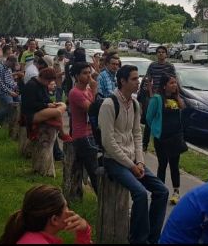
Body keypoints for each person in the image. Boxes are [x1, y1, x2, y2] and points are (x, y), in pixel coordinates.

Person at [99, 64, 168, 244]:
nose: (139, 82)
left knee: (162, 191)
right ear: (123, 81)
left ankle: (153, 238)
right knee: (140, 193)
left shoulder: (135, 104)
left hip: (133, 160)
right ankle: (138, 239)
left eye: (138, 78)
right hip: (113, 161)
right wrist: (132, 166)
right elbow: (108, 142)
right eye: (134, 79)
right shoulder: (109, 104)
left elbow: (137, 134)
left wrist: (140, 162)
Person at [0, 185, 91, 244]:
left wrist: (83, 232)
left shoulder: (29, 237)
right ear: (54, 220)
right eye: (66, 207)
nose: (70, 211)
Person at [147, 74, 187, 205]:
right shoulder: (157, 99)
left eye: (175, 83)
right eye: (171, 83)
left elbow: (181, 113)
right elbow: (149, 117)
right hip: (162, 138)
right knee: (162, 164)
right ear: (164, 86)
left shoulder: (177, 99)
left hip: (175, 138)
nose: (174, 85)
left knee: (174, 166)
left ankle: (176, 192)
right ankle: (160, 191)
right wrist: (156, 130)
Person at [67, 62, 100, 195]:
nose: (88, 76)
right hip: (83, 135)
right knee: (94, 170)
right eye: (85, 73)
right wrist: (95, 89)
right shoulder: (75, 92)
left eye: (89, 73)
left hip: (91, 133)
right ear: (76, 76)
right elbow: (92, 110)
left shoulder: (87, 90)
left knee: (96, 167)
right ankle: (101, 197)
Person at [140, 46, 176, 151]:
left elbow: (174, 80)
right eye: (159, 52)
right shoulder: (152, 65)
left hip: (167, 97)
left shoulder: (170, 66)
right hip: (155, 96)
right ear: (156, 54)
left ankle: (164, 142)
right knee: (149, 120)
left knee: (165, 119)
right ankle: (145, 144)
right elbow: (148, 80)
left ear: (166, 54)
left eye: (163, 52)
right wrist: (151, 94)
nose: (161, 54)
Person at [20, 67, 69, 139]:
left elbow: (46, 98)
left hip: (41, 109)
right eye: (49, 81)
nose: (49, 83)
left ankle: (52, 119)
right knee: (58, 112)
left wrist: (53, 103)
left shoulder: (43, 84)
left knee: (63, 105)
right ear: (43, 78)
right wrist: (46, 105)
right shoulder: (31, 85)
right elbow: (30, 104)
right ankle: (62, 134)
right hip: (31, 114)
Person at [0, 56, 22, 128]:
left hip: (10, 91)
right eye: (13, 64)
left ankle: (13, 121)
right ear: (8, 61)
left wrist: (16, 87)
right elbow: (0, 84)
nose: (13, 66)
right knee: (10, 105)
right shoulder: (0, 69)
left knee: (20, 101)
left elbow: (11, 81)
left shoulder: (9, 69)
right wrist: (10, 92)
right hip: (2, 92)